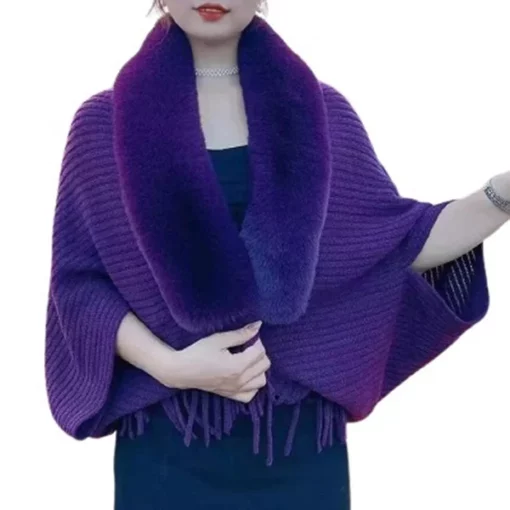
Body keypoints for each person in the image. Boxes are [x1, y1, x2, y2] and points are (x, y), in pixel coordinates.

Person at [44, 1, 510, 509]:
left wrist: (502, 194)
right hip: (166, 446)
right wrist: (171, 365)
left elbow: (395, 244)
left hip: (300, 449)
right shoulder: (103, 125)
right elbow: (80, 286)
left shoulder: (322, 115)